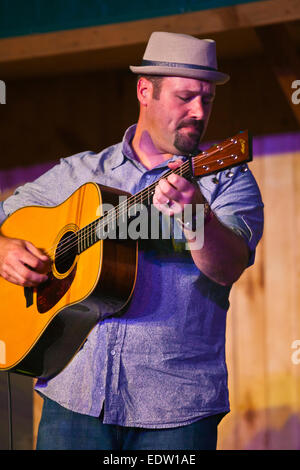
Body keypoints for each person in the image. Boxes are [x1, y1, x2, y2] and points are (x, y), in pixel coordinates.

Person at [0, 32, 264, 450]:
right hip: (72, 399)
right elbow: (5, 217)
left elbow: (229, 265)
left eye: (207, 99)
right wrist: (3, 248)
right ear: (145, 91)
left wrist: (197, 214)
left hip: (177, 411)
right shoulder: (80, 172)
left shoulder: (226, 177)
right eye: (185, 97)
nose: (199, 111)